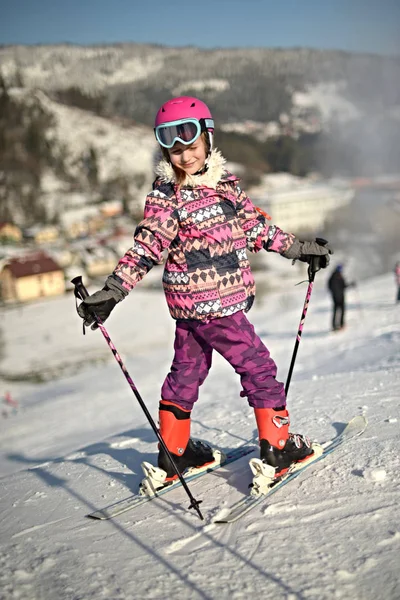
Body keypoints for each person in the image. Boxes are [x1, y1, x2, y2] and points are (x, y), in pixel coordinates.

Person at [77, 96, 333, 483]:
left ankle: (176, 454)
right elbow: (146, 248)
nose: (185, 157)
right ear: (165, 151)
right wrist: (113, 291)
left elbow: (258, 229)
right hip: (218, 308)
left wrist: (299, 249)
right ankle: (278, 448)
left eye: (192, 148)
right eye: (175, 151)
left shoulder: (227, 188)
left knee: (186, 373)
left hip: (191, 312)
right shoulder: (166, 199)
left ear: (208, 140)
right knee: (259, 368)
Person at [327, 264, 355, 331]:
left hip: (336, 296)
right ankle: (341, 325)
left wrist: (351, 284)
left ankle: (335, 326)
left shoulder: (332, 276)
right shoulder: (338, 276)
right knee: (341, 310)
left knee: (336, 311)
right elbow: (343, 286)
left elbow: (330, 287)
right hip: (339, 297)